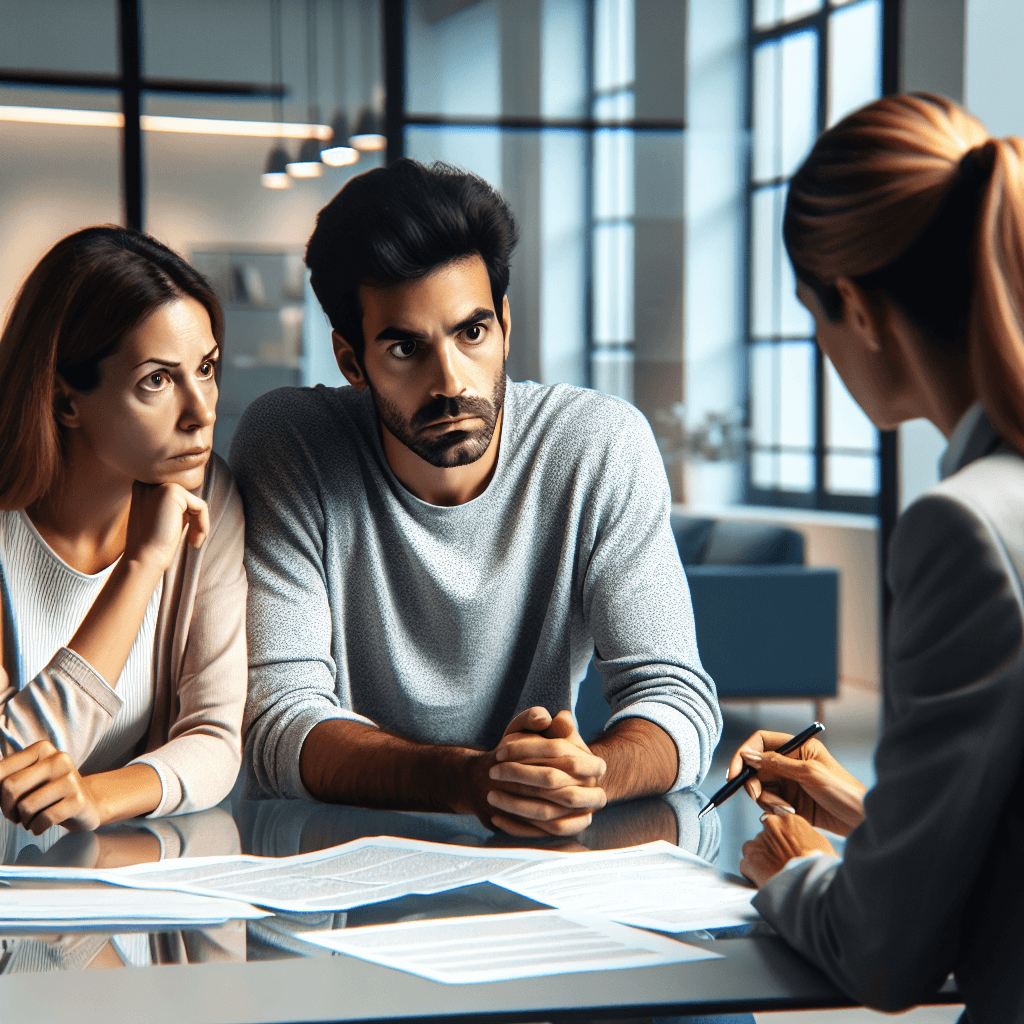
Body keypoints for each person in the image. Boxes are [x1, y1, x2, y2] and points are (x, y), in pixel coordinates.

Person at [232, 159, 722, 837]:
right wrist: (466, 780)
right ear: (351, 361)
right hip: (331, 858)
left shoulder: (598, 444)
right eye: (406, 347)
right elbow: (277, 719)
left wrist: (583, 777)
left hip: (532, 863)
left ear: (505, 324)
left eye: (471, 332)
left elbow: (678, 697)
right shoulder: (292, 443)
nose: (450, 382)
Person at [728, 93, 1024, 1021]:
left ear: (854, 305)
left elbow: (882, 953)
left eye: (812, 312)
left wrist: (797, 872)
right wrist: (868, 814)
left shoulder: (965, 527)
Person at [0, 226, 247, 833]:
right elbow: (8, 772)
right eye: (157, 380)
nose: (203, 410)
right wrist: (140, 568)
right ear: (66, 402)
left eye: (207, 368)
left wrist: (97, 797)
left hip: (120, 876)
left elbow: (215, 738)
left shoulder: (208, 494)